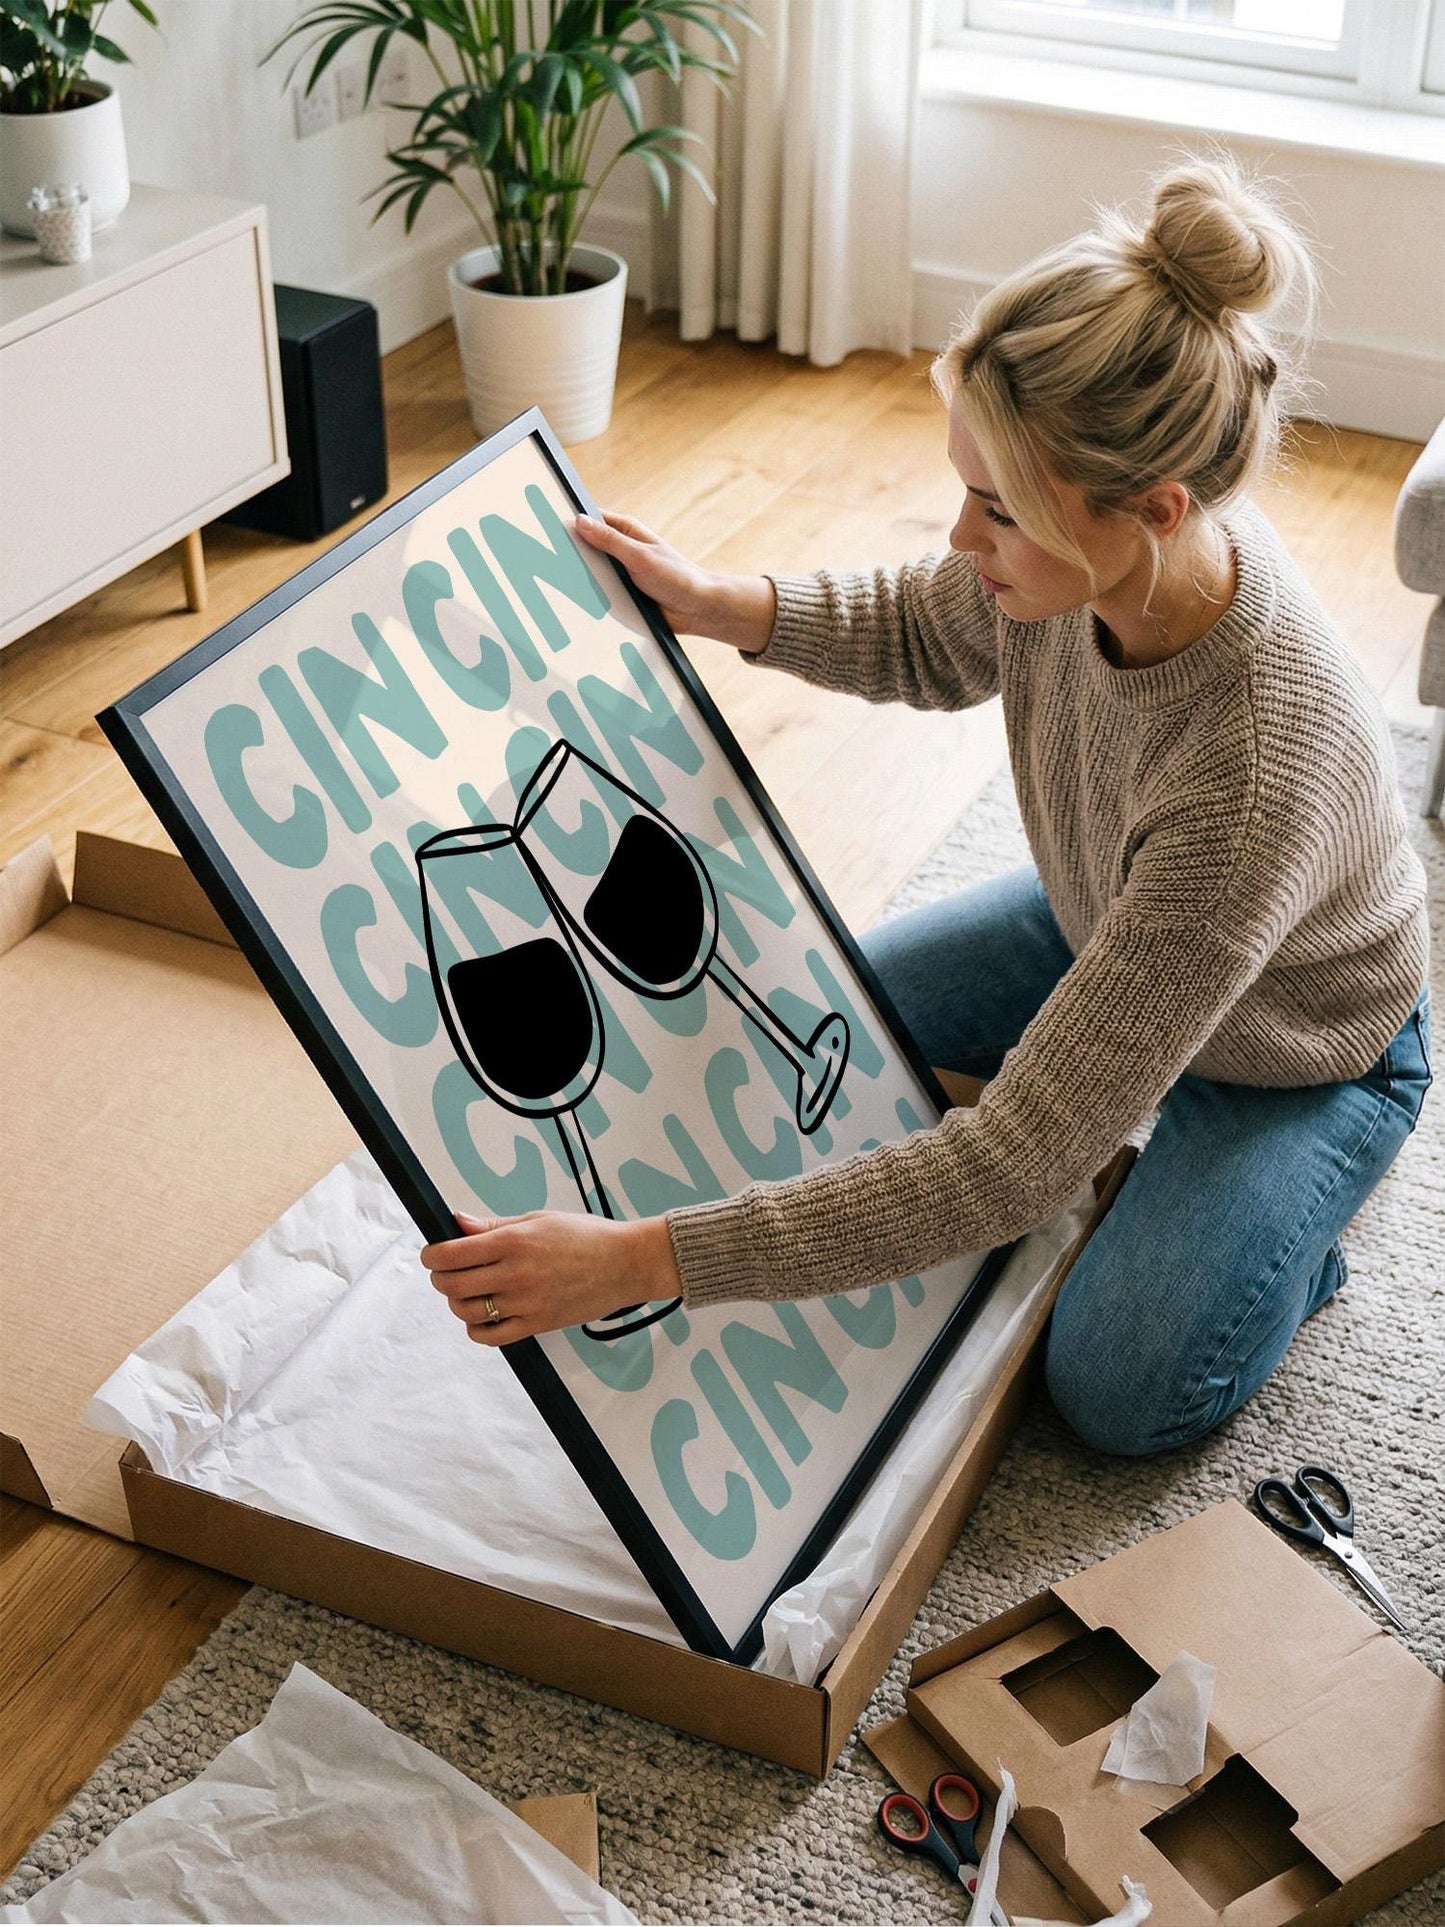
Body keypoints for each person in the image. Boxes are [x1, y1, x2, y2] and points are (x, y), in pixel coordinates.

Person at [423, 156, 1431, 1457]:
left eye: (997, 510)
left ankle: (1284, 1244)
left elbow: (1011, 1165)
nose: (961, 537)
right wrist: (718, 601)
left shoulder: (1245, 773)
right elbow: (923, 624)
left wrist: (640, 1260)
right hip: (1099, 916)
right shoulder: (1085, 567)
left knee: (1121, 1385)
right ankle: (1156, 1130)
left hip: (1299, 1046)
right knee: (797, 1041)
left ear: (1153, 511)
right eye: (965, 486)